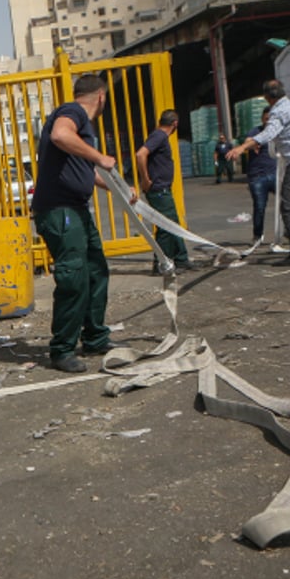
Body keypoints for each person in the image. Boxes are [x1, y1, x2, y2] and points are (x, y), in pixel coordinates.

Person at [31, 74, 131, 374]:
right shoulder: (72, 113)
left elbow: (86, 173)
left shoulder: (82, 128)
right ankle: (61, 349)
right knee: (74, 277)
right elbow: (60, 135)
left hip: (75, 209)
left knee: (96, 269)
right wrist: (100, 156)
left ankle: (94, 337)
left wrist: (121, 189)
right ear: (101, 97)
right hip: (60, 211)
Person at [226, 80, 290, 266]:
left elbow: (267, 135)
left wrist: (242, 147)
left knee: (287, 207)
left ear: (267, 98)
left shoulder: (277, 112)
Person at [135, 109, 194, 275]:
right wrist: (145, 179)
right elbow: (140, 155)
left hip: (162, 188)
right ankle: (160, 264)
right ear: (175, 124)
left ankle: (181, 259)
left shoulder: (159, 136)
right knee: (166, 227)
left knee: (172, 224)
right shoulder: (159, 136)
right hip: (158, 189)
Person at [243, 106, 277, 245]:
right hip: (258, 176)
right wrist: (253, 144)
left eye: (271, 119)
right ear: (262, 119)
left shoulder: (277, 133)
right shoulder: (256, 131)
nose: (268, 121)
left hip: (275, 174)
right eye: (266, 119)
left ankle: (289, 230)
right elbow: (247, 142)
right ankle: (257, 235)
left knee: (286, 204)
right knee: (259, 207)